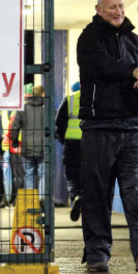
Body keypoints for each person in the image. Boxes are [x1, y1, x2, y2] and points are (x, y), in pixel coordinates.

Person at [77, 0, 138, 274]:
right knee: (97, 194)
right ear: (99, 9)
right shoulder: (89, 39)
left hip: (134, 127)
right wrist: (133, 72)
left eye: (121, 6)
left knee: (137, 191)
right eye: (112, 7)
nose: (118, 11)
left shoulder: (136, 41)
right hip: (99, 126)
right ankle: (97, 254)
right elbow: (102, 66)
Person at [11, 85, 46, 199]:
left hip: (27, 148)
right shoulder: (46, 109)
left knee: (29, 175)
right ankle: (42, 200)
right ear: (42, 94)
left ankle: (31, 202)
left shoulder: (23, 109)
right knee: (43, 174)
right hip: (43, 148)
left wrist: (14, 141)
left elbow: (15, 126)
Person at [55, 81, 83, 221]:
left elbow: (59, 123)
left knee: (72, 175)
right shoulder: (98, 98)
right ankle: (89, 202)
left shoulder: (71, 100)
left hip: (72, 145)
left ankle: (76, 195)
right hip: (92, 145)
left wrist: (64, 140)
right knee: (91, 175)